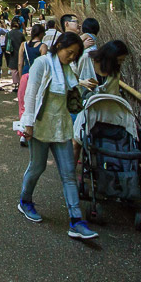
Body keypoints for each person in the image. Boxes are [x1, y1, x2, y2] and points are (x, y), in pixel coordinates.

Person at [17, 32, 99, 240]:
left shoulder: (67, 68)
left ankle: (76, 220)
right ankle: (25, 201)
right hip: (41, 127)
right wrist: (28, 124)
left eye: (75, 55)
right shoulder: (42, 63)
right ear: (59, 46)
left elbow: (70, 85)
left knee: (68, 172)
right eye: (69, 52)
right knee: (38, 167)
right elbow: (32, 93)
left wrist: (84, 84)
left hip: (61, 127)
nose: (72, 57)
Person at [16, 23, 47, 147]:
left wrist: (20, 79)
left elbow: (19, 63)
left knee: (23, 106)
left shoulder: (23, 45)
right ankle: (33, 131)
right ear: (41, 34)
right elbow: (44, 66)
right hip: (37, 79)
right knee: (36, 104)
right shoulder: (43, 46)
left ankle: (22, 134)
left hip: (25, 76)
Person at [6, 17, 25, 89]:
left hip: (11, 52)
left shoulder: (8, 34)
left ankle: (15, 85)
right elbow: (24, 42)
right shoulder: (20, 34)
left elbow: (5, 43)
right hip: (20, 52)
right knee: (20, 67)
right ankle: (20, 83)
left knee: (13, 70)